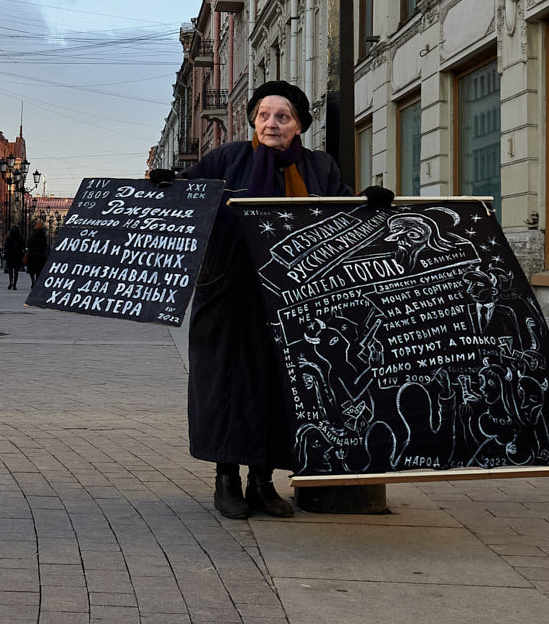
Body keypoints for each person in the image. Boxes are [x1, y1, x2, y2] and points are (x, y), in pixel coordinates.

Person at [161, 80, 392, 521]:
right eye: (264, 115)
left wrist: (369, 201)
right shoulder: (227, 158)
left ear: (299, 125)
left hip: (291, 303)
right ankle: (226, 479)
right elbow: (188, 197)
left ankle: (262, 482)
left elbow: (342, 211)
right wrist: (165, 183)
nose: (271, 124)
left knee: (280, 387)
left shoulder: (317, 167)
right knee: (227, 384)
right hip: (229, 295)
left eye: (282, 117)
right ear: (253, 119)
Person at [25, 222, 49, 291]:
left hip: (32, 255)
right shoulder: (43, 236)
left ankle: (33, 280)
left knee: (31, 270)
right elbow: (45, 246)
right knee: (39, 270)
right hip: (41, 256)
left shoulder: (32, 235)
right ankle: (37, 281)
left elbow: (29, 245)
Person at [2, 224, 26, 290]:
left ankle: (11, 282)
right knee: (16, 271)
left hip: (10, 255)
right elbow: (23, 246)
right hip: (17, 256)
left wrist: (6, 252)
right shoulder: (20, 238)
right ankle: (15, 284)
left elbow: (5, 246)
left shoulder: (9, 237)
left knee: (10, 270)